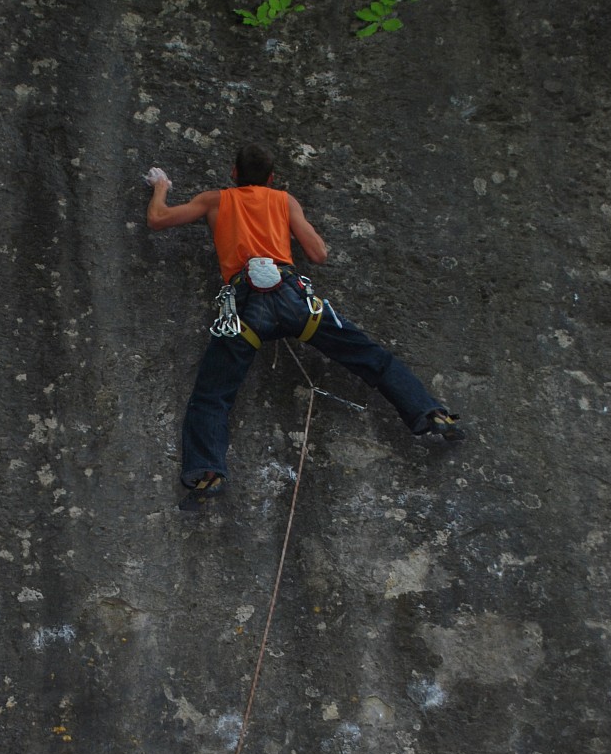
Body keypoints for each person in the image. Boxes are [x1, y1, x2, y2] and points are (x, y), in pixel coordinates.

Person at [144, 142, 464, 501]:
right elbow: (318, 253)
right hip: (295, 300)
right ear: (272, 177)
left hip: (246, 307)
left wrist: (161, 187)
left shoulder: (215, 200)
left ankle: (207, 471)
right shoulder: (284, 201)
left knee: (212, 396)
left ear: (234, 173)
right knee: (373, 358)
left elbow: (158, 219)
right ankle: (431, 413)